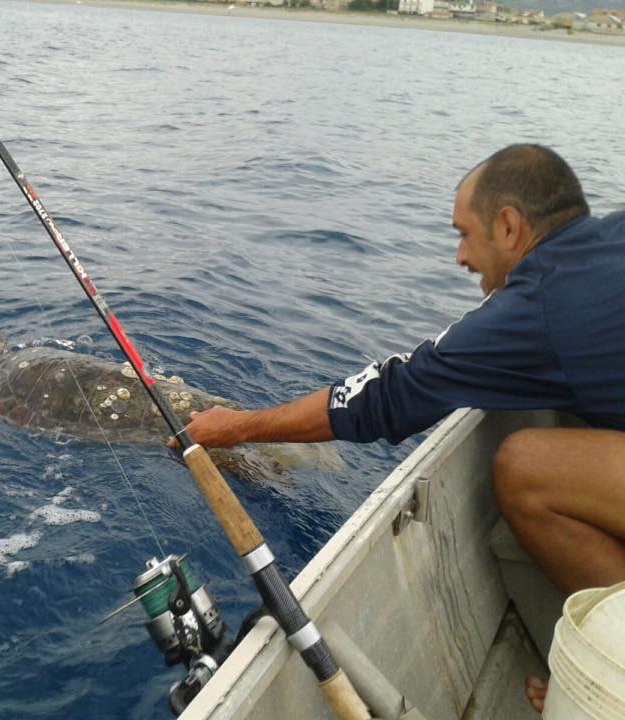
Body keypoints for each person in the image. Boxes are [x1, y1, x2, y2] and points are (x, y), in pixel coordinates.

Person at [170, 144, 625, 713]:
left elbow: (388, 395)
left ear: (509, 226)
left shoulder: (540, 302)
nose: (459, 256)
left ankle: (610, 658)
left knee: (524, 466)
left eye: (465, 234)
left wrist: (236, 427)